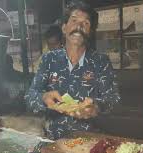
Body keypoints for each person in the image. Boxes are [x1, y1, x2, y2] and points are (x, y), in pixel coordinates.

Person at [25, 0, 120, 140]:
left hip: (91, 140)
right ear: (64, 28)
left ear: (91, 32)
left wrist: (96, 107)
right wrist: (43, 98)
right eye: (74, 20)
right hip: (54, 140)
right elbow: (30, 97)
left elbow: (114, 100)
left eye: (86, 23)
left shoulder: (101, 61)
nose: (79, 27)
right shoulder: (49, 59)